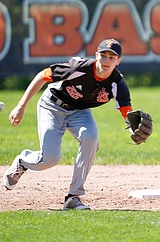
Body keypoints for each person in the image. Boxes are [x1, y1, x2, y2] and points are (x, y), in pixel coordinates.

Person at [3, 38, 152, 210]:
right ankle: (23, 162)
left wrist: (134, 131)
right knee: (50, 158)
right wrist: (21, 107)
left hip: (79, 112)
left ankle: (73, 197)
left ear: (118, 61)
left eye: (112, 57)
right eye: (103, 55)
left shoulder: (117, 84)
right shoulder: (78, 68)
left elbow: (127, 112)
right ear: (96, 55)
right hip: (52, 106)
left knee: (91, 137)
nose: (106, 61)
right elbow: (42, 76)